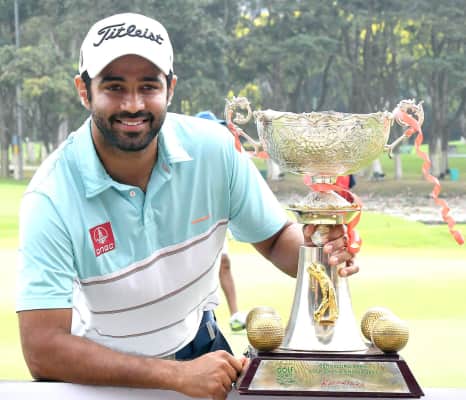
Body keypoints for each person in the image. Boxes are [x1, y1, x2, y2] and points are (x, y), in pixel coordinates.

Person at [16, 12, 358, 400]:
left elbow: (276, 239)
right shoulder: (51, 196)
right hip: (102, 373)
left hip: (199, 349)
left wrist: (319, 251)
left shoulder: (215, 150)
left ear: (171, 88)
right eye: (114, 87)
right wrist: (174, 376)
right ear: (84, 90)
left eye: (149, 86)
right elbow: (42, 348)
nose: (133, 104)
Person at [195, 111, 246, 332]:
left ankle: (235, 315)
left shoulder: (221, 160)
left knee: (224, 262)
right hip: (188, 229)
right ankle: (201, 318)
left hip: (213, 224)